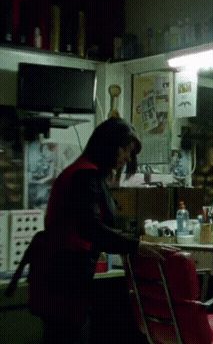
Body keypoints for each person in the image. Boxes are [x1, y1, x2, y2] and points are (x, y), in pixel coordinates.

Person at [23, 118, 175, 344]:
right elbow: (90, 228)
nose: (126, 158)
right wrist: (136, 246)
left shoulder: (85, 172)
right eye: (125, 150)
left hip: (64, 276)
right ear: (109, 145)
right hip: (65, 279)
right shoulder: (85, 176)